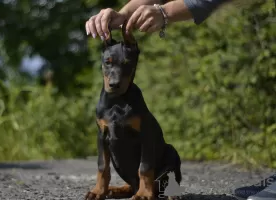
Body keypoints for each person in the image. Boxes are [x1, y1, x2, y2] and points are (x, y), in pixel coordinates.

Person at [85, 0, 276, 199]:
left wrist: (164, 12)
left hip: (158, 168)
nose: (114, 79)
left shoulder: (135, 105)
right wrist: (124, 14)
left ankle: (164, 188)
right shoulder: (102, 107)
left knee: (169, 154)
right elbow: (104, 145)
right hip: (129, 172)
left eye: (124, 65)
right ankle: (129, 187)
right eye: (108, 64)